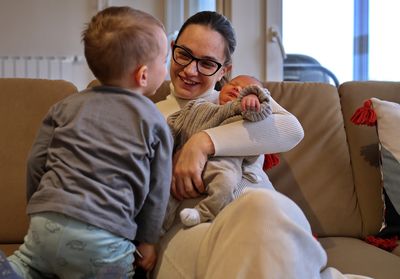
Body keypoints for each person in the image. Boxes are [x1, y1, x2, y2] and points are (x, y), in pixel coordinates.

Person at [152, 10, 369, 279]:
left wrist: (202, 142)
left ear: (225, 70)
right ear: (172, 49)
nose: (190, 70)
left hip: (266, 219)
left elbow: (291, 129)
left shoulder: (242, 102)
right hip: (192, 229)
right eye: (184, 54)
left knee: (262, 208)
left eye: (207, 63)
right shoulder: (150, 113)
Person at [7, 6, 173, 278]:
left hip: (46, 221)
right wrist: (149, 240)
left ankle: (15, 270)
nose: (165, 68)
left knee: (27, 265)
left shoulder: (65, 107)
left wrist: (42, 205)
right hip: (104, 237)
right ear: (143, 75)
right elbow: (158, 190)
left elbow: (36, 161)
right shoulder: (153, 121)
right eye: (164, 60)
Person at [163, 75, 272, 228]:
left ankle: (203, 212)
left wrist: (254, 98)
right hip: (181, 167)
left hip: (222, 164)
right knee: (165, 191)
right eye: (234, 84)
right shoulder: (199, 107)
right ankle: (158, 229)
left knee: (226, 182)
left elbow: (266, 115)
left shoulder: (243, 116)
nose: (237, 88)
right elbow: (173, 126)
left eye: (246, 90)